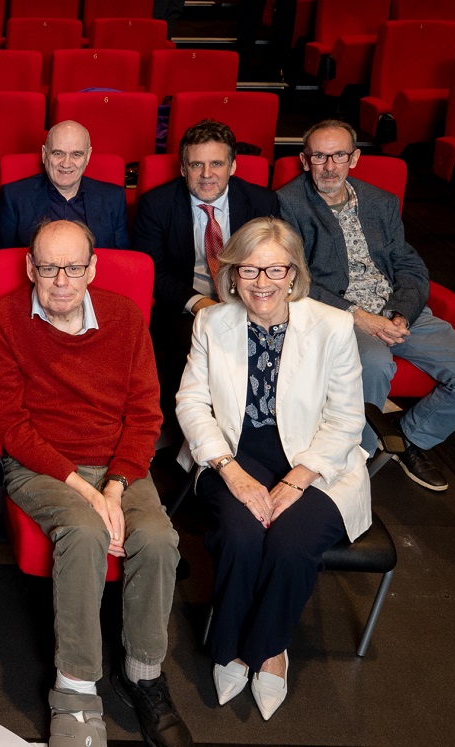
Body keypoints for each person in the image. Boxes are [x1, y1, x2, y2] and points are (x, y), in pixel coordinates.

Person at [0, 220, 190, 747]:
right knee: (85, 532)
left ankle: (144, 676)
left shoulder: (124, 316)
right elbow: (12, 425)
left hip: (118, 463)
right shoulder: (5, 318)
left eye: (73, 267)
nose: (60, 280)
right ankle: (74, 693)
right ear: (31, 268)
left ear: (92, 269)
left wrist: (115, 487)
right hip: (44, 466)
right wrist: (86, 490)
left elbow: (145, 415)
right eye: (48, 267)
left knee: (159, 539)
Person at [175, 217, 371, 721]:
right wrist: (230, 471)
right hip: (233, 453)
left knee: (289, 543)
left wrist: (297, 478)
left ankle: (268, 649)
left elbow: (347, 419)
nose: (262, 283)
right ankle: (230, 646)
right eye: (249, 270)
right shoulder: (212, 323)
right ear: (232, 274)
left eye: (274, 270)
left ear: (293, 273)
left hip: (316, 462)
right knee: (240, 537)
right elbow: (192, 404)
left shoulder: (332, 326)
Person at [277, 120, 455, 490]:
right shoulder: (289, 204)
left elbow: (410, 266)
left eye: (339, 156)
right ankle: (354, 461)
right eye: (319, 156)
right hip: (339, 314)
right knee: (375, 362)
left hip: (396, 310)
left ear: (355, 158)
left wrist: (401, 313)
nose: (329, 166)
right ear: (305, 160)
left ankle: (406, 438)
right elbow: (294, 277)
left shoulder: (380, 202)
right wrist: (361, 317)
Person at [134, 119, 280, 420]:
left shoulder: (261, 202)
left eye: (216, 163)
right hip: (185, 304)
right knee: (200, 351)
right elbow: (153, 272)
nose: (206, 174)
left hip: (251, 298)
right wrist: (200, 304)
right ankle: (203, 428)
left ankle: (259, 420)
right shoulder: (156, 204)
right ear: (183, 168)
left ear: (233, 166)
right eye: (196, 164)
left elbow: (274, 262)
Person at [0, 121, 130, 252]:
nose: (66, 164)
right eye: (58, 153)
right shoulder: (14, 197)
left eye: (76, 154)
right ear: (44, 154)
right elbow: (5, 262)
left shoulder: (113, 198)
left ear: (88, 156)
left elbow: (121, 260)